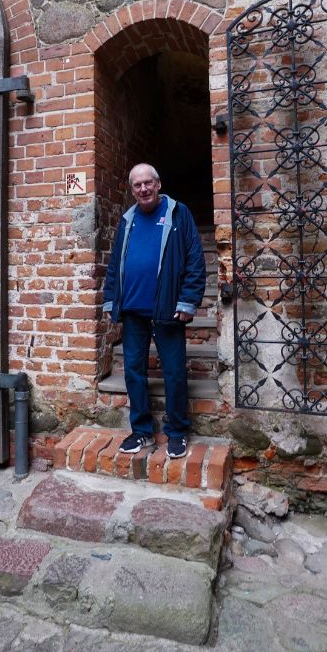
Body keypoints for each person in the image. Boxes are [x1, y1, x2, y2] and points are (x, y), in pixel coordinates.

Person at [103, 163, 206, 459]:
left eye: (148, 183)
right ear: (132, 189)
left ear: (158, 184)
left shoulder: (178, 213)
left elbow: (195, 260)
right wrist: (112, 299)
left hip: (168, 310)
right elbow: (114, 265)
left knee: (173, 372)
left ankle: (176, 432)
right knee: (133, 372)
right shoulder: (127, 219)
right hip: (133, 311)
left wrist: (188, 301)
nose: (144, 189)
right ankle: (142, 432)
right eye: (137, 185)